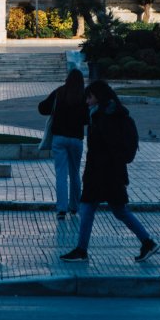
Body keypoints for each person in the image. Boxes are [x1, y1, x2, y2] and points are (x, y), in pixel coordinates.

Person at [60, 80, 159, 263]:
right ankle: (147, 242)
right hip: (106, 174)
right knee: (114, 210)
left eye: (89, 97)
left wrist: (96, 170)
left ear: (98, 97)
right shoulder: (104, 114)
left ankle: (82, 250)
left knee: (95, 209)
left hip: (104, 174)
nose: (87, 101)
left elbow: (106, 148)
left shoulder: (106, 117)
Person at [39, 69, 88, 219]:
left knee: (61, 174)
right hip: (76, 139)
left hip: (59, 139)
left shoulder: (59, 92)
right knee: (74, 173)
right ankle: (75, 207)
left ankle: (61, 209)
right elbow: (87, 119)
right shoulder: (84, 95)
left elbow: (43, 108)